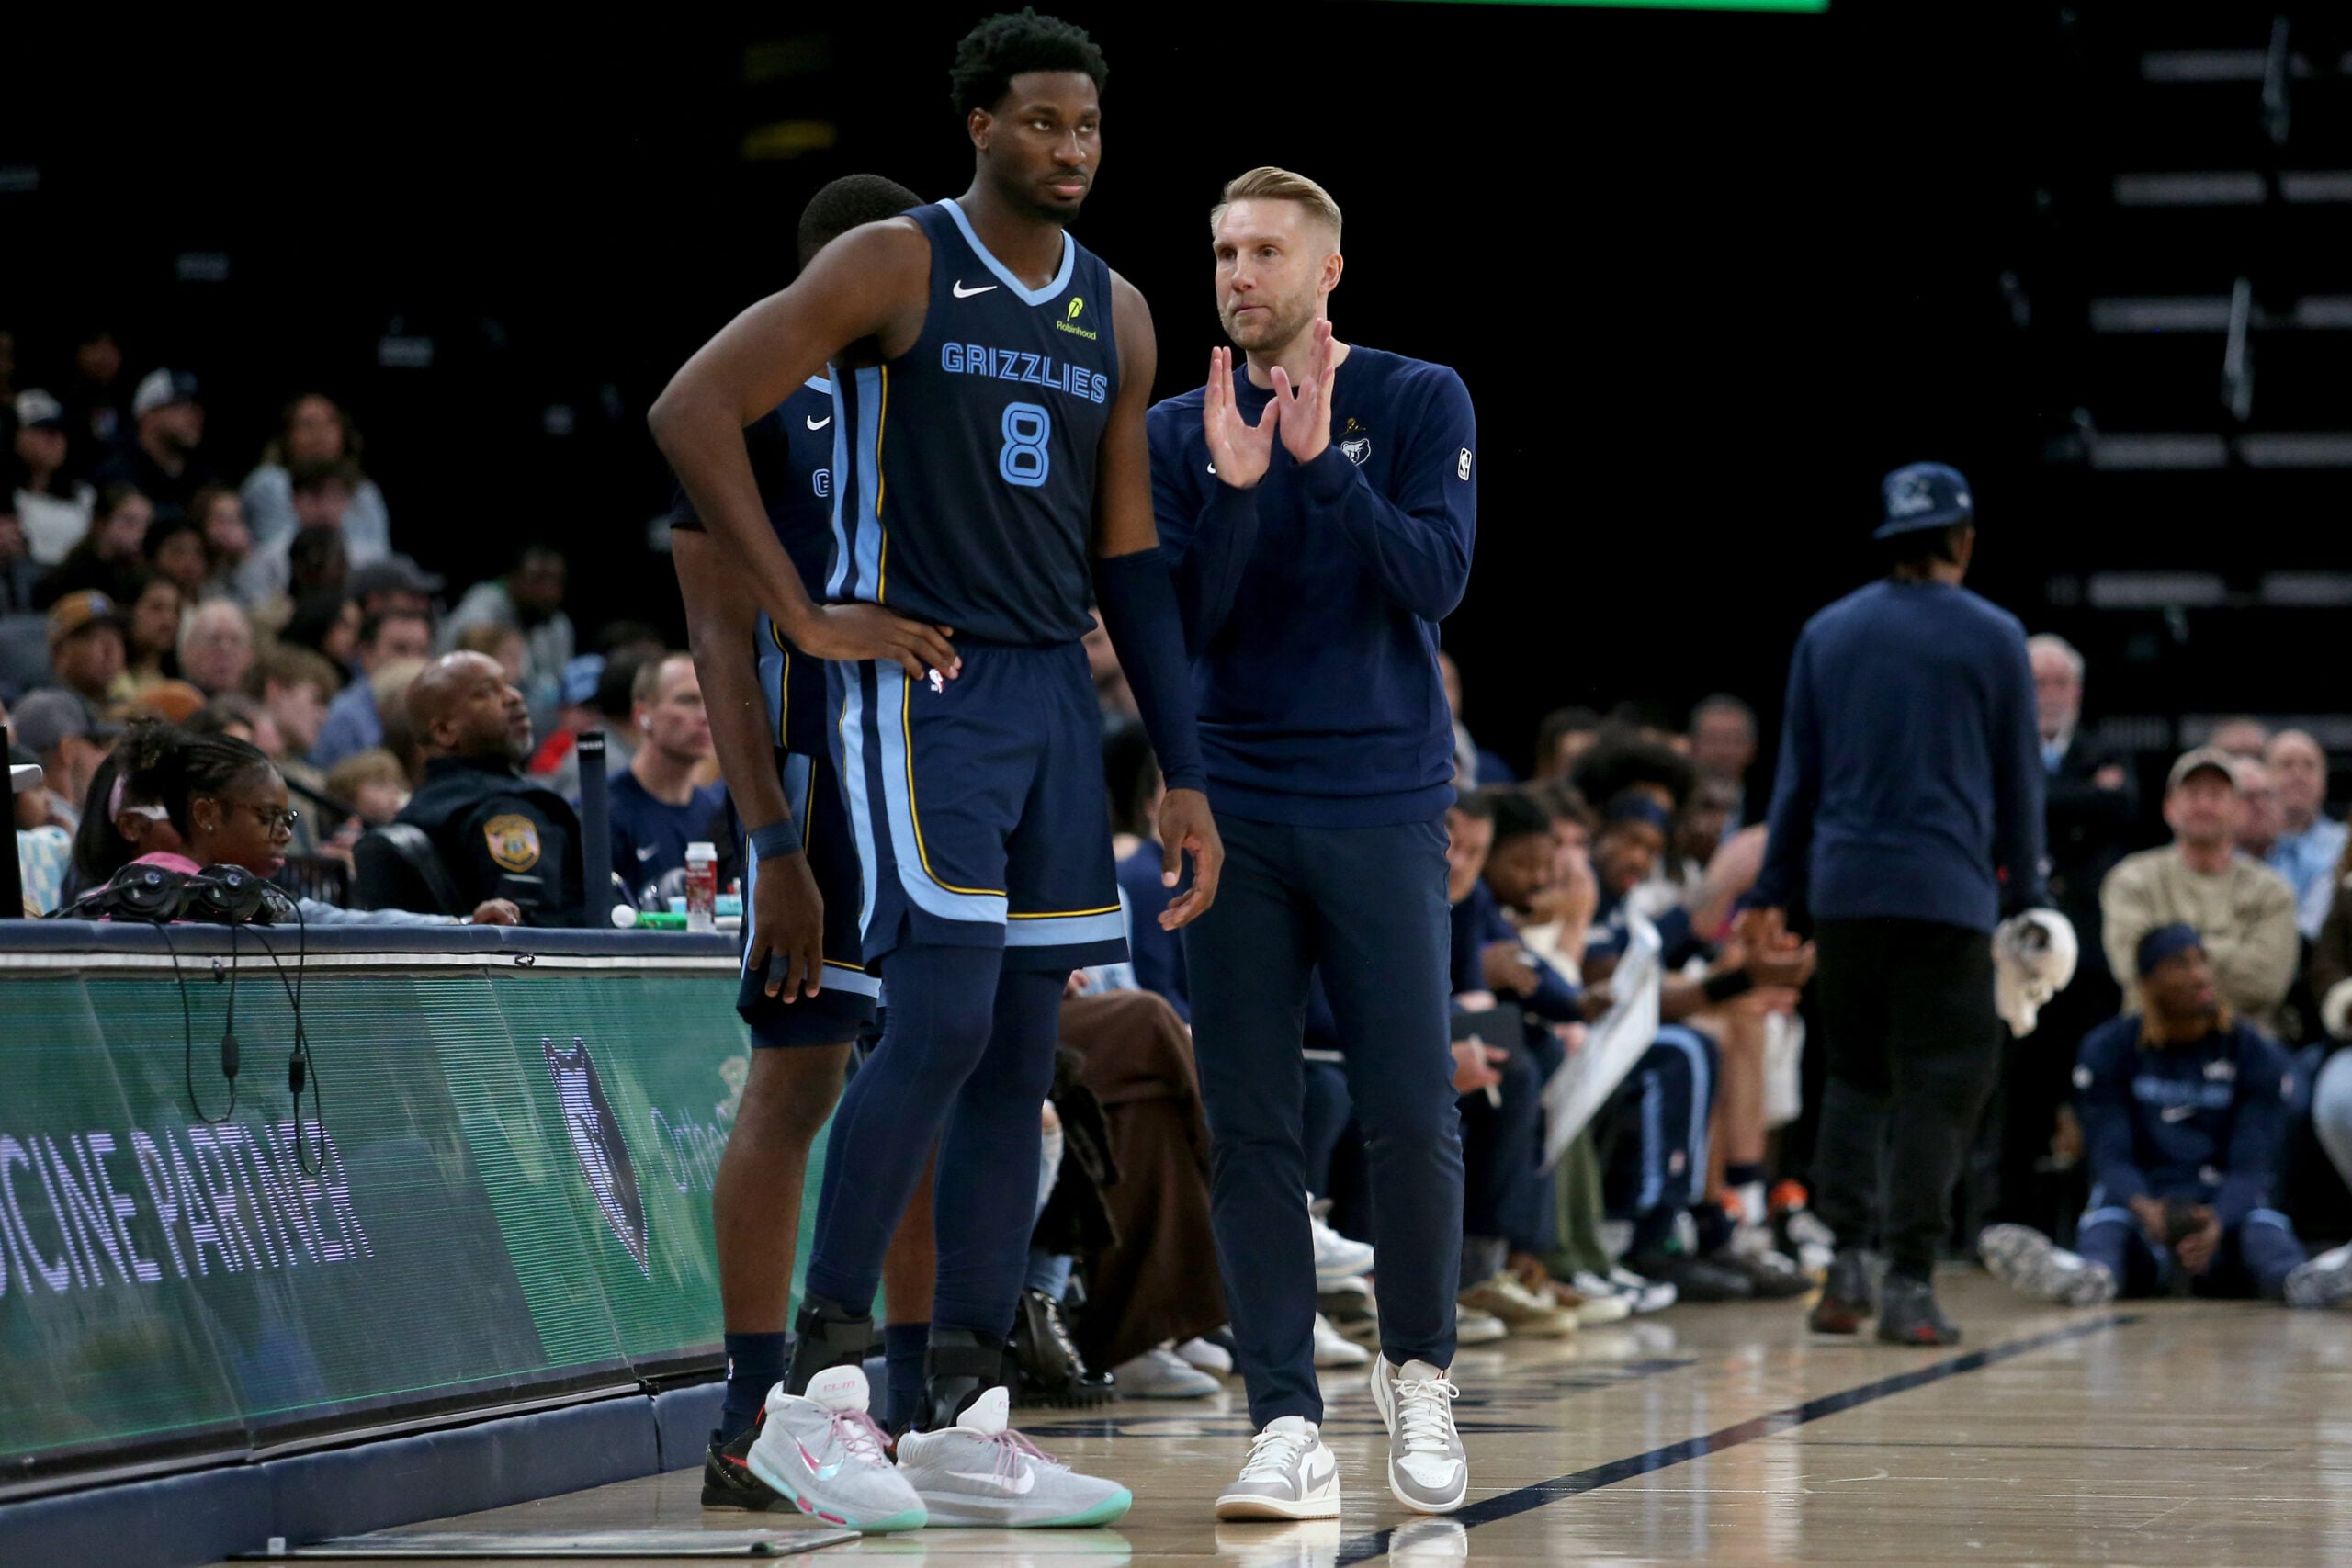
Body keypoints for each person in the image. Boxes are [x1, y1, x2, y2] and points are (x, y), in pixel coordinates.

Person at [650, 10, 1219, 1531]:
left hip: (1045, 701)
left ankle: (962, 1403)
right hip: (911, 695)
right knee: (918, 1020)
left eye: (1088, 127)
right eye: (1041, 122)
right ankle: (805, 1391)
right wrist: (804, 622)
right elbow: (688, 422)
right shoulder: (892, 270)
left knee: (1010, 1051)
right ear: (977, 124)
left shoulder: (1121, 311)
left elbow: (1130, 557)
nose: (1071, 149)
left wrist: (1180, 760)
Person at [1147, 164, 1476, 1520]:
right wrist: (1233, 491)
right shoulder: (1178, 426)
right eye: (1224, 250)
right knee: (1254, 1121)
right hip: (1236, 803)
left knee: (1408, 1110)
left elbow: (1437, 578)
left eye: (1266, 251)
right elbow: (1178, 633)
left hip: (1385, 800)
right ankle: (1286, 1416)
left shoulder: (1417, 398)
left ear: (1327, 270)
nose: (1238, 274)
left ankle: (1421, 1371)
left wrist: (1320, 478)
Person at [662, 173, 942, 1498]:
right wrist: (771, 843)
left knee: (935, 1079)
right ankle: (748, 1406)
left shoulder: (958, 376)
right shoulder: (759, 388)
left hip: (949, 770)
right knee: (797, 1083)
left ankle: (920, 1394)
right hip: (817, 784)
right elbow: (718, 637)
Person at [1741, 461, 2045, 1347]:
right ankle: (1910, 1278)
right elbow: (2019, 783)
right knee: (1942, 1085)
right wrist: (2026, 894)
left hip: (1845, 892)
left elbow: (1795, 781)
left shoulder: (1828, 632)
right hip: (1947, 893)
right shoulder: (1996, 636)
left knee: (1857, 1076)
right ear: (1963, 539)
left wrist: (1772, 893)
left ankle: (1846, 1267)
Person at [1980, 925, 2352, 1310]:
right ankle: (2087, 1276)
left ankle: (2305, 1281)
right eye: (2180, 965)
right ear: (2147, 983)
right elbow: (2110, 1154)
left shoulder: (2253, 1051)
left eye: (2202, 961)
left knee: (2263, 1229)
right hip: (2144, 1201)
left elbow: (2254, 1161)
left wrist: (2219, 1219)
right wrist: (2144, 1208)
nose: (2200, 975)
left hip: (2223, 1206)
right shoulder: (2109, 1048)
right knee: (2108, 1221)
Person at [114, 724, 515, 928]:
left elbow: (360, 925)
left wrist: (461, 923)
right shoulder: (125, 901)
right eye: (267, 818)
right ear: (206, 815)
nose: (285, 834)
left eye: (287, 819)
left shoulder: (259, 902)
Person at [2100, 749, 2300, 1039]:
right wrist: (2230, 948)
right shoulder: (2131, 878)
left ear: (2240, 810)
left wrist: (2169, 955)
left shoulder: (2272, 890)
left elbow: (2266, 983)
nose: (2204, 805)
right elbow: (2131, 968)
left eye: (2217, 795)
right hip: (2153, 1041)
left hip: (2244, 1046)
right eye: (2192, 794)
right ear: (2169, 807)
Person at [382, 651, 583, 927]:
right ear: (443, 731)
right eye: (486, 692)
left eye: (507, 684)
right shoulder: (505, 810)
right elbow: (535, 932)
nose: (514, 697)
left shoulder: (416, 809)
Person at [607, 651, 724, 908]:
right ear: (642, 715)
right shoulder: (602, 815)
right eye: (687, 700)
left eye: (711, 701)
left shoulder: (720, 814)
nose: (705, 716)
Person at [242, 393, 395, 566]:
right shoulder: (270, 482)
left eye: (330, 423)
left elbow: (381, 557)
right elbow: (276, 556)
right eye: (308, 424)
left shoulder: (365, 490)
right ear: (287, 435)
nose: (320, 433)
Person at [440, 544, 574, 692]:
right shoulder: (480, 614)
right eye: (538, 580)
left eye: (556, 582)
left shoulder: (556, 622)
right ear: (513, 578)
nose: (548, 592)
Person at [311, 607, 434, 768]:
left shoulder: (435, 711)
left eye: (421, 651)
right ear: (367, 654)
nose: (412, 661)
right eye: (400, 649)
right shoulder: (344, 718)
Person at [99, 369, 217, 520]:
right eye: (181, 404)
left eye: (196, 406)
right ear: (147, 414)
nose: (195, 414)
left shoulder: (202, 480)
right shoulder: (116, 474)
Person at [2264, 730, 2346, 940]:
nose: (2298, 775)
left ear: (2324, 782)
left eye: (2309, 765)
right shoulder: (2247, 843)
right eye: (2286, 765)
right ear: (2264, 776)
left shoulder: (2346, 843)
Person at [12, 389, 94, 565]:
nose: (56, 440)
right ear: (17, 436)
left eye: (60, 432)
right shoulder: (9, 498)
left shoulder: (84, 495)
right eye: (45, 431)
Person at [35, 485, 150, 609]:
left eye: (145, 524)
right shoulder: (72, 574)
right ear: (100, 523)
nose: (140, 534)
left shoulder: (138, 575)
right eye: (129, 522)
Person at [44, 591, 128, 713]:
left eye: (114, 635)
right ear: (60, 654)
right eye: (91, 637)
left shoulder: (126, 705)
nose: (109, 647)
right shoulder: (46, 706)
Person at [1688, 694, 1757, 823]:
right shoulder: (1676, 812)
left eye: (1732, 740)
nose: (1722, 751)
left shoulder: (1766, 813)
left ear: (1751, 748)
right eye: (1712, 739)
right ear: (1693, 746)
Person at [177, 599, 254, 698]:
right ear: (188, 651)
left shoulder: (260, 706)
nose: (226, 650)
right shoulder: (173, 703)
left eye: (235, 640)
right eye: (214, 640)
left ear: (249, 654)